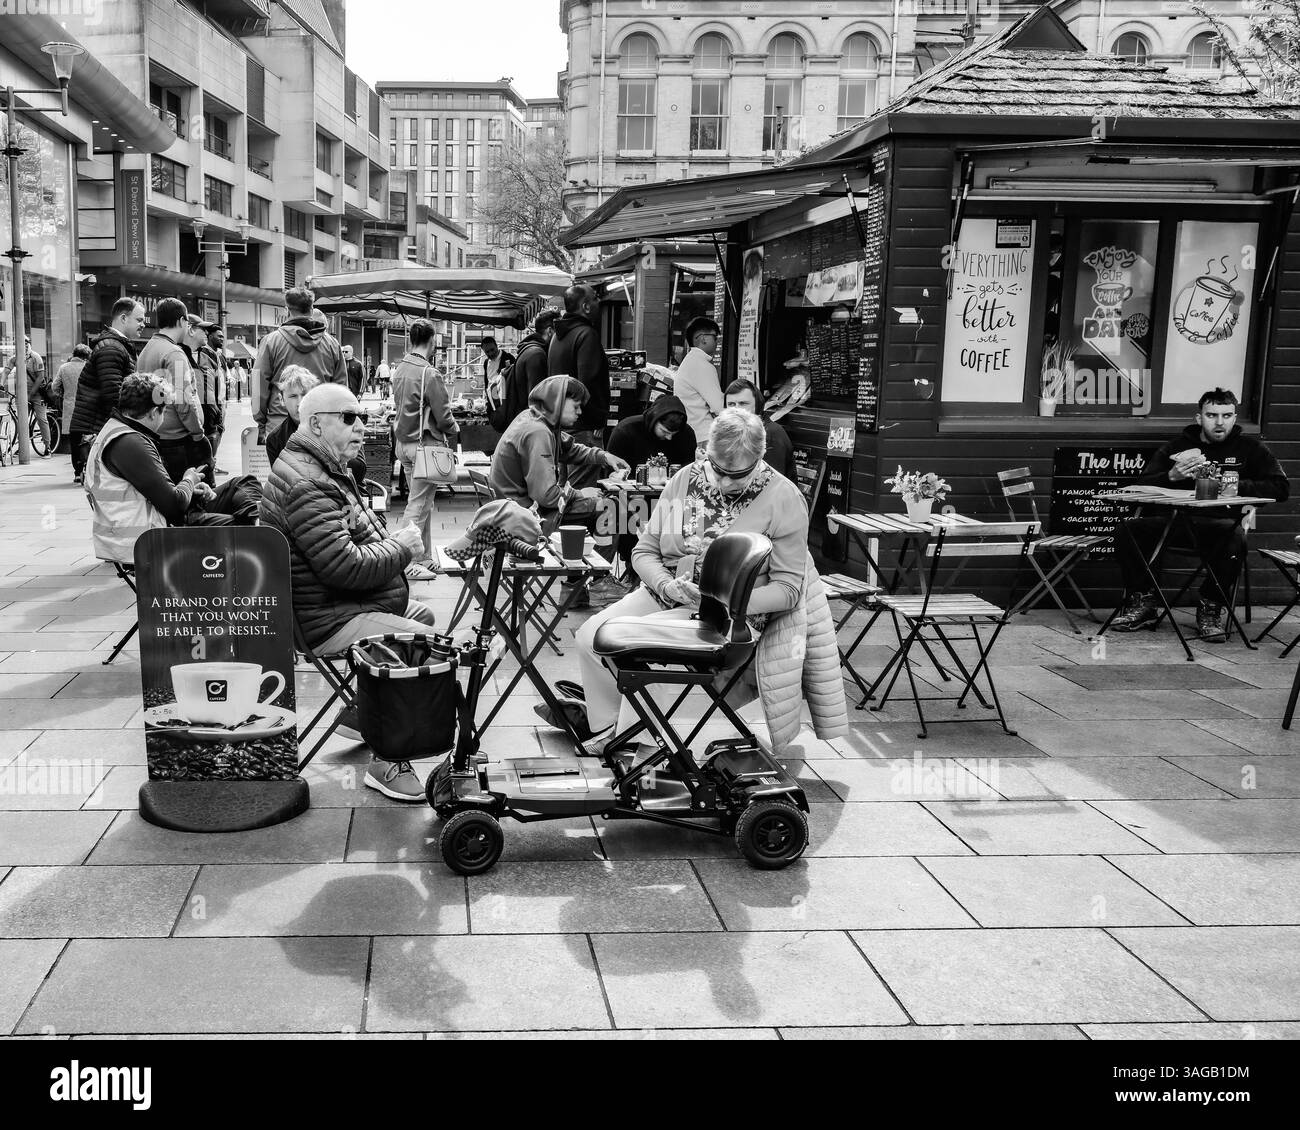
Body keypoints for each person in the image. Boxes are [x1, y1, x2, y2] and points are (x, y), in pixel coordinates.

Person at [573, 409, 836, 752]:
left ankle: (635, 743)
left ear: (760, 459)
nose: (725, 482)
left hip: (731, 613)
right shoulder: (684, 480)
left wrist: (722, 599)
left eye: (737, 474)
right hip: (670, 592)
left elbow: (787, 590)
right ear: (706, 452)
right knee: (589, 637)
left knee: (645, 655)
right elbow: (645, 552)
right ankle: (612, 728)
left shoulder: (784, 498)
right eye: (717, 469)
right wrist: (666, 585)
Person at [259, 383, 435, 802]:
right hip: (324, 617)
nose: (361, 427)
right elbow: (344, 566)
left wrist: (395, 556)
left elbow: (350, 542)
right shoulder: (309, 482)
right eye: (349, 417)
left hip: (333, 603)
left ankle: (363, 715)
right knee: (420, 643)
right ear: (316, 423)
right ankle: (389, 760)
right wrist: (402, 548)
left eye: (365, 418)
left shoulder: (320, 466)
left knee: (422, 617)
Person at [1111, 388, 1290, 641]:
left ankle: (1211, 608)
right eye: (1212, 415)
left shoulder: (1250, 449)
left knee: (1235, 537)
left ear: (1234, 417)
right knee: (1126, 530)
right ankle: (1143, 602)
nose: (1219, 422)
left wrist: (1234, 486)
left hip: (1220, 525)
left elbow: (1281, 488)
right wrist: (1172, 476)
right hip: (1173, 523)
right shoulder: (1177, 447)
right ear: (1199, 418)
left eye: (1226, 415)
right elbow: (1142, 483)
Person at [83, 374, 262, 562]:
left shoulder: (119, 431)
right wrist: (189, 480)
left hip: (158, 519)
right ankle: (256, 525)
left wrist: (190, 488)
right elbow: (175, 507)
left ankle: (255, 519)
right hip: (153, 535)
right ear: (153, 413)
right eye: (164, 411)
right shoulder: (130, 443)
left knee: (245, 482)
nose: (164, 417)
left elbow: (155, 492)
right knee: (246, 529)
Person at [490, 375, 630, 607]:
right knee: (613, 509)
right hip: (524, 518)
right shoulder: (538, 432)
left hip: (509, 511)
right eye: (575, 406)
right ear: (557, 400)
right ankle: (597, 582)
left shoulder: (537, 420)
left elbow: (571, 450)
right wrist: (580, 494)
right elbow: (546, 495)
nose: (579, 413)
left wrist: (604, 456)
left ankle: (576, 589)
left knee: (603, 507)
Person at [392, 319, 460, 581]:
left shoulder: (400, 369)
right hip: (425, 445)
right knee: (418, 505)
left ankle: (425, 557)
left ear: (411, 339)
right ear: (432, 341)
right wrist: (454, 428)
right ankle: (404, 561)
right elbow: (444, 417)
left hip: (404, 445)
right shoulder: (429, 373)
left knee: (423, 504)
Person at [606, 394, 695, 571]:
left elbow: (688, 473)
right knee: (617, 509)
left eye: (673, 434)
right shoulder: (626, 430)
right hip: (632, 499)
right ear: (654, 420)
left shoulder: (686, 435)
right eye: (665, 432)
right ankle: (633, 564)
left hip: (669, 500)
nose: (669, 438)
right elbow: (612, 475)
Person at [252, 287, 348, 442]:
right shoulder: (332, 344)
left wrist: (261, 423)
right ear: (311, 309)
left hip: (280, 425)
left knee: (281, 467)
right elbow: (341, 390)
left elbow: (258, 386)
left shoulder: (271, 341)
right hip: (320, 426)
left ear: (286, 309)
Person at [138, 301, 211, 488]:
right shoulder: (174, 353)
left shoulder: (146, 350)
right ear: (181, 321)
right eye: (187, 322)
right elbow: (184, 400)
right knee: (194, 495)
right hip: (178, 440)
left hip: (156, 434)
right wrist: (198, 434)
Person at [71, 299, 147, 470]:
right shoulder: (112, 348)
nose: (143, 324)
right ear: (123, 318)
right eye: (139, 320)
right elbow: (113, 395)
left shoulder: (116, 345)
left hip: (98, 428)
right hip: (97, 430)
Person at [548, 283, 610, 488]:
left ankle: (562, 521)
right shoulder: (586, 335)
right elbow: (588, 383)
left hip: (563, 425)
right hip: (585, 428)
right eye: (594, 298)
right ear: (585, 306)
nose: (598, 301)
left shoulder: (557, 338)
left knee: (566, 488)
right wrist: (597, 419)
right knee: (581, 491)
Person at [489, 308, 558, 432]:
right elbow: (536, 402)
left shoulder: (528, 351)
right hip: (531, 428)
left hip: (524, 424)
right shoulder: (536, 355)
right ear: (550, 331)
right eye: (559, 332)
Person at [725, 379, 797, 483]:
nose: (737, 409)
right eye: (731, 404)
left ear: (757, 406)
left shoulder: (771, 434)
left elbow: (772, 484)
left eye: (743, 403)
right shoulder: (735, 431)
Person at [674, 317, 724, 451]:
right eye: (715, 337)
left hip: (695, 433)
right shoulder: (701, 365)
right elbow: (719, 407)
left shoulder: (691, 361)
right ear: (703, 338)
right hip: (704, 436)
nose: (717, 342)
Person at [4, 335, 52, 453]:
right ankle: (22, 447)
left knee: (41, 419)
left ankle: (47, 447)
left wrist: (30, 395)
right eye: (22, 343)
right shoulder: (14, 358)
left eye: (26, 342)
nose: (24, 345)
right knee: (22, 421)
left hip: (36, 395)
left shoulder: (35, 357)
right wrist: (1, 383)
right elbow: (5, 372)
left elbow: (40, 377)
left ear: (28, 344)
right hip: (22, 395)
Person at [52, 344, 92, 479]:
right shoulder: (89, 368)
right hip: (87, 408)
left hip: (70, 409)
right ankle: (87, 467)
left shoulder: (64, 368)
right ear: (86, 356)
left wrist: (65, 395)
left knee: (74, 442)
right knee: (88, 439)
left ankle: (77, 472)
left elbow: (55, 388)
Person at [196, 324, 227, 472]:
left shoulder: (219, 355)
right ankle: (209, 465)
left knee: (219, 432)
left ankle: (213, 463)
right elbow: (206, 382)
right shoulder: (204, 354)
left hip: (220, 401)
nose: (222, 338)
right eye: (218, 336)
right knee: (212, 433)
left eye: (222, 336)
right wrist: (212, 405)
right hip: (211, 402)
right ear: (209, 336)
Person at [479, 335, 515, 411]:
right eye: (487, 352)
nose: (491, 353)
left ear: (497, 346)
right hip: (492, 400)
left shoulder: (509, 358)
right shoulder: (486, 362)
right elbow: (487, 381)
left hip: (505, 401)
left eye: (492, 350)